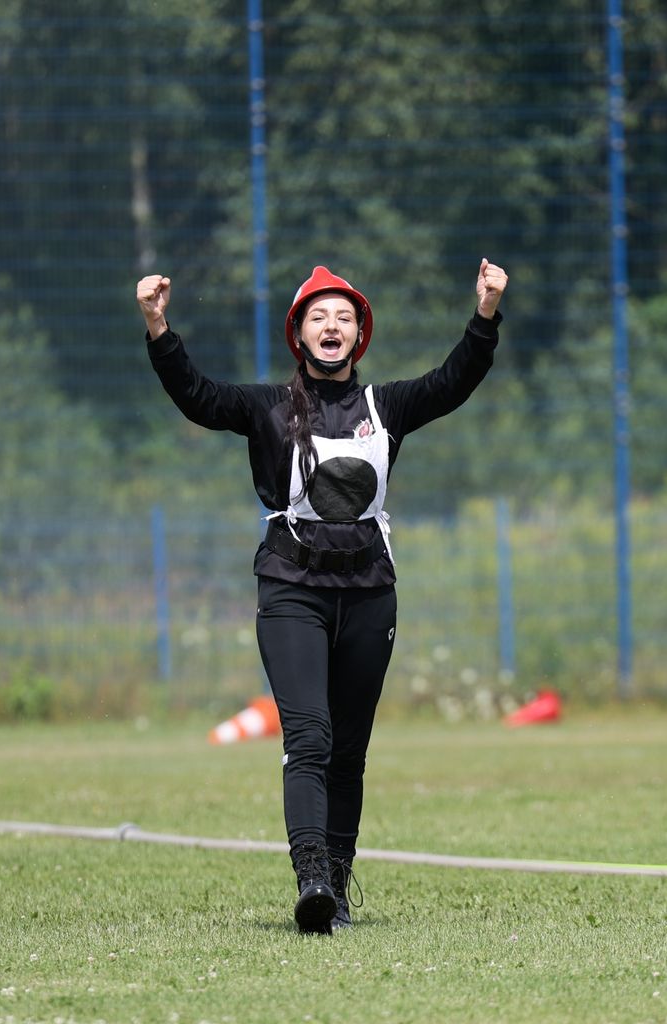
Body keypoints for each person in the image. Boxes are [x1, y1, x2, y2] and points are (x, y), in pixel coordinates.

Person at [139, 258, 508, 932]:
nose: (332, 325)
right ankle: (309, 878)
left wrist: (485, 312)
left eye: (344, 316)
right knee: (308, 735)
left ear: (357, 335)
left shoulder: (384, 407)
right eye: (319, 316)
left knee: (350, 749)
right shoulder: (266, 408)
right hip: (291, 588)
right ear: (300, 336)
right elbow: (197, 395)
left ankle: (337, 883)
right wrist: (159, 326)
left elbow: (456, 380)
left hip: (370, 592)